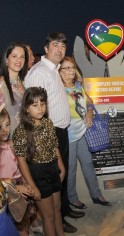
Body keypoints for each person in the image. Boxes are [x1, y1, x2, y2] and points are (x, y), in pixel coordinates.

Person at [24, 32, 84, 233]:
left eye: (63, 46)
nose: (60, 49)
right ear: (47, 48)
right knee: (55, 178)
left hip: (59, 131)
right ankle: (58, 218)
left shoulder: (53, 70)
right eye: (55, 45)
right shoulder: (40, 72)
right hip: (48, 134)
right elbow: (33, 107)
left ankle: (63, 211)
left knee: (62, 176)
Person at [59, 56, 111, 209]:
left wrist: (89, 112)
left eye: (72, 67)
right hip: (68, 135)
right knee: (71, 168)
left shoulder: (77, 86)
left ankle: (96, 195)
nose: (70, 71)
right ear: (59, 72)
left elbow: (89, 100)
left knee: (88, 163)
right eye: (66, 68)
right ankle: (72, 198)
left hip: (82, 132)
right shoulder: (58, 89)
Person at [13, 87, 65, 236]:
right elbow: (21, 161)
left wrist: (61, 166)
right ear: (26, 108)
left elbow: (54, 145)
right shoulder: (21, 131)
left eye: (42, 104)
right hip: (37, 173)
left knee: (57, 210)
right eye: (34, 105)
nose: (40, 108)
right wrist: (32, 186)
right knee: (48, 216)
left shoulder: (48, 123)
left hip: (52, 168)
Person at [0, 107, 36, 236]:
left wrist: (27, 183)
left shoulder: (12, 144)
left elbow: (20, 166)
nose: (6, 130)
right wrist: (16, 187)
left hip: (20, 183)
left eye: (8, 125)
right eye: (0, 127)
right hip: (7, 192)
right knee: (17, 226)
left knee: (24, 221)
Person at [0, 42, 28, 135]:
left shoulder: (23, 83)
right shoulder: (1, 84)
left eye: (22, 57)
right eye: (14, 56)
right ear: (7, 60)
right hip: (9, 140)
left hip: (26, 138)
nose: (19, 60)